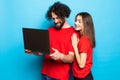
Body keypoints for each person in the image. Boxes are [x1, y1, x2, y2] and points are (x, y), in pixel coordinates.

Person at [25, 2, 75, 80]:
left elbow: (71, 58)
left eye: (57, 18)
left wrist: (60, 56)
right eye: (53, 18)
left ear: (64, 15)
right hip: (45, 74)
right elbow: (41, 52)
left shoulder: (73, 33)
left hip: (60, 77)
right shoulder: (49, 31)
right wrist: (33, 51)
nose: (55, 21)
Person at [71, 12, 96, 80]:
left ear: (86, 24)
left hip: (83, 77)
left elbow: (81, 65)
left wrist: (75, 46)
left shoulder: (84, 40)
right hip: (81, 76)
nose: (76, 23)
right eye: (76, 20)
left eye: (79, 21)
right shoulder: (83, 37)